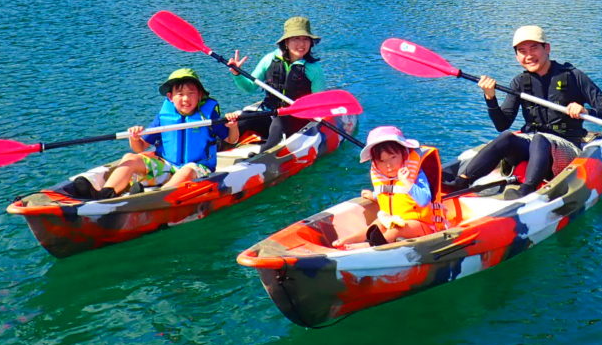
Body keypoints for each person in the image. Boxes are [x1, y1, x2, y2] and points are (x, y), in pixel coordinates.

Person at [452, 25, 602, 197]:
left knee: (540, 139)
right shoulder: (519, 82)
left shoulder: (574, 76)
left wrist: (585, 111)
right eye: (522, 51)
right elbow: (502, 124)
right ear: (517, 56)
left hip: (566, 145)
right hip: (531, 143)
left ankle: (527, 191)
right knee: (507, 137)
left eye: (534, 48)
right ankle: (461, 182)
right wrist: (490, 97)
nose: (529, 56)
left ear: (547, 48)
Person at [74, 68, 239, 199]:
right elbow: (140, 148)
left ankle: (155, 197)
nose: (185, 99)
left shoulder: (208, 115)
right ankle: (105, 194)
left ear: (200, 95)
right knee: (130, 158)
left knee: (186, 171)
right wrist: (135, 137)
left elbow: (232, 139)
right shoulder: (164, 116)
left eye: (191, 94)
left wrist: (233, 126)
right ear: (170, 97)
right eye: (180, 94)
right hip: (167, 165)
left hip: (198, 168)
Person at [226, 16, 325, 149]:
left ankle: (261, 156)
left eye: (305, 39)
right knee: (240, 121)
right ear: (286, 42)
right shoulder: (269, 59)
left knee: (278, 123)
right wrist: (237, 74)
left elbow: (319, 103)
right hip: (268, 113)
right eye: (296, 38)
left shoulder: (313, 69)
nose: (301, 44)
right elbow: (249, 88)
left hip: (294, 118)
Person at [349, 125, 445, 246]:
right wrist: (373, 195)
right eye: (381, 161)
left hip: (422, 225)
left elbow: (424, 200)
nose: (389, 165)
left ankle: (366, 246)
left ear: (404, 154)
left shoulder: (416, 174)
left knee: (395, 231)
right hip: (394, 219)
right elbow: (391, 196)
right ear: (375, 162)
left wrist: (406, 182)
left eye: (393, 157)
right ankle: (344, 242)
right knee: (377, 224)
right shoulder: (383, 177)